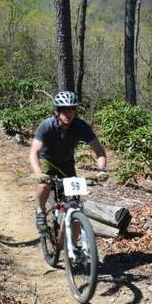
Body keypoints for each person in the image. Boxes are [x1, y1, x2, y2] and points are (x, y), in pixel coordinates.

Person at [29, 90, 107, 233]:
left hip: (67, 163)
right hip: (48, 161)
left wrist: (102, 169)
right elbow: (34, 151)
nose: (68, 113)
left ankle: (74, 247)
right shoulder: (47, 125)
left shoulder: (81, 126)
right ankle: (41, 210)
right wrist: (38, 173)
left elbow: (99, 152)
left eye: (71, 109)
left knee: (75, 205)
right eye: (64, 110)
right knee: (45, 185)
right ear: (57, 112)